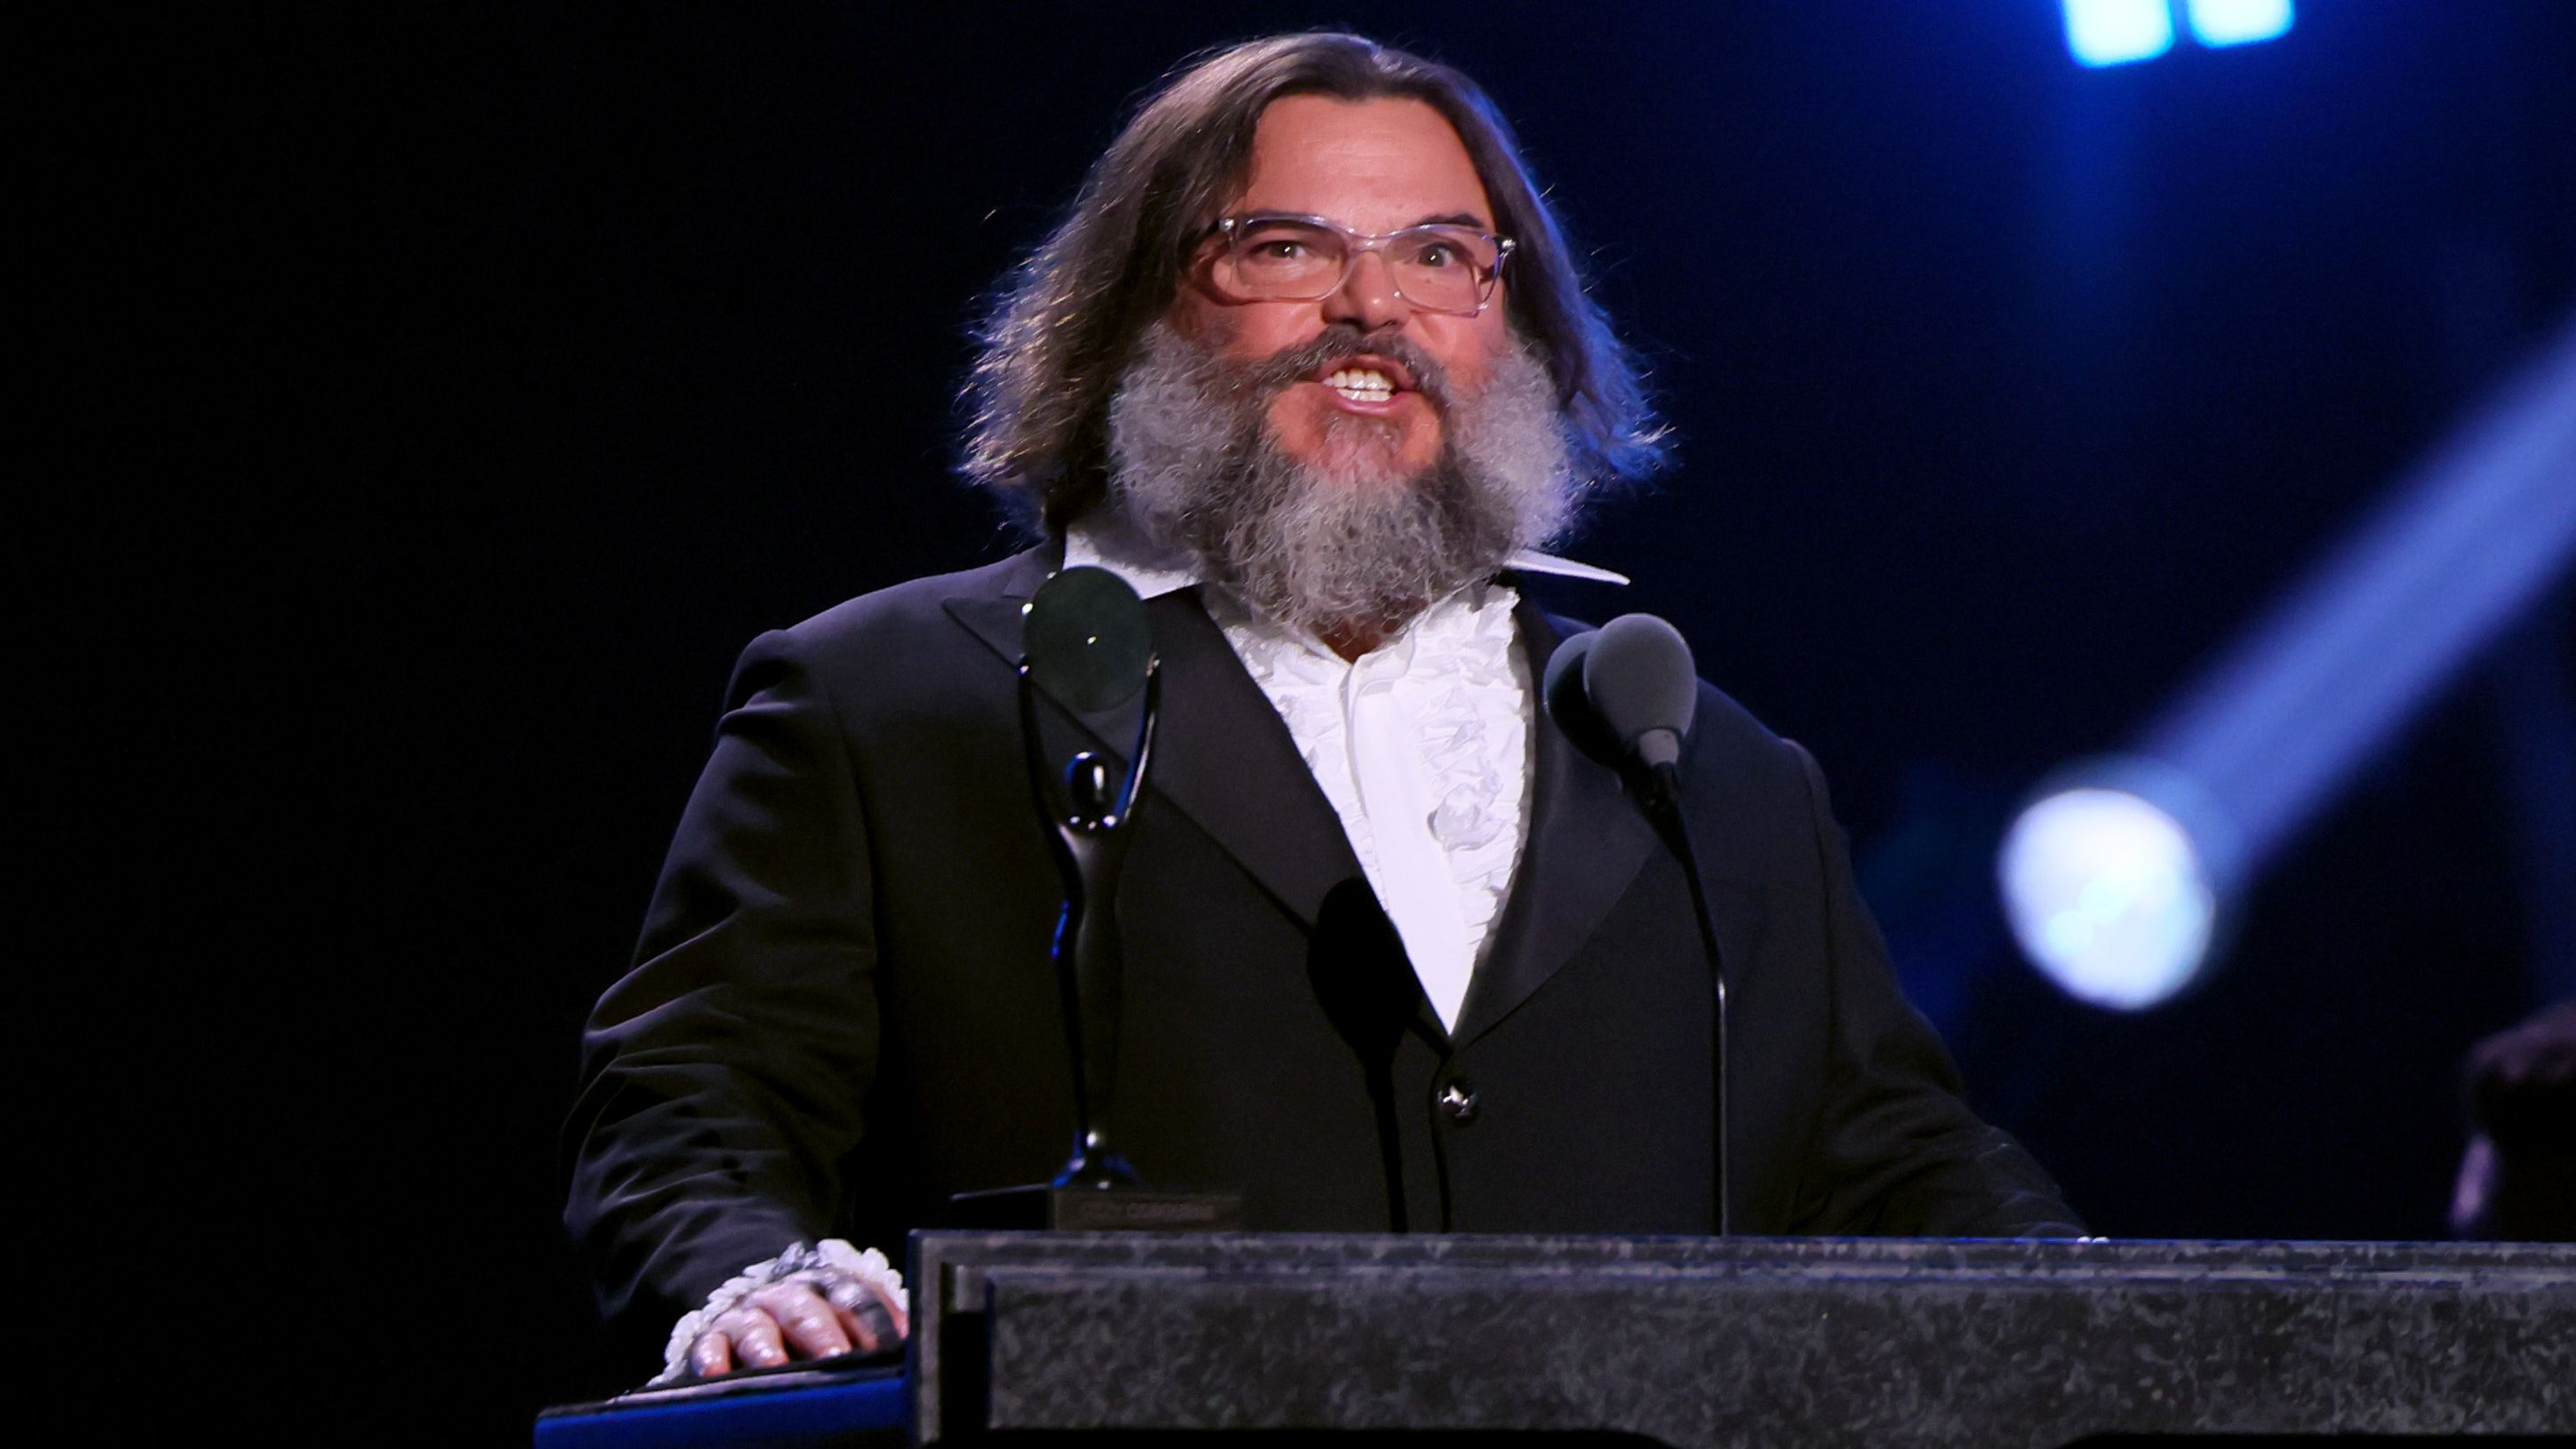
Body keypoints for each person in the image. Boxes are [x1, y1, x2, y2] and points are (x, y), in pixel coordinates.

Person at [565, 32, 2082, 1385]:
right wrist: (750, 1284)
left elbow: (1890, 1157)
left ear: (1520, 327)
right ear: (1140, 308)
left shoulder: (1705, 765)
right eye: (1283, 247)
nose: (1374, 306)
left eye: (1441, 255)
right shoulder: (884, 700)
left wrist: (2097, 1314)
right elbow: (695, 1100)